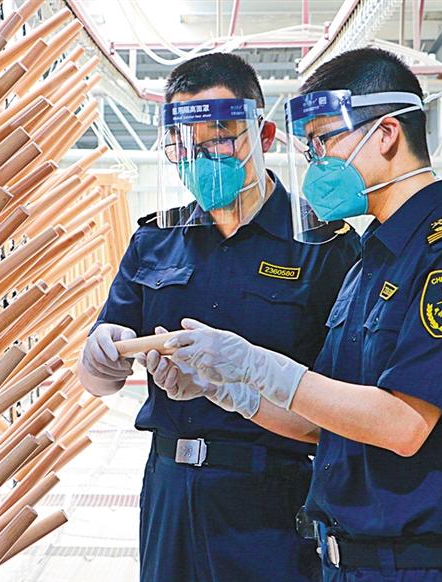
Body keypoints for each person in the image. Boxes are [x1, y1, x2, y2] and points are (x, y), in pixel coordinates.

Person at [149, 48, 442, 581]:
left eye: (323, 141)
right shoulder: (371, 260)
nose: (315, 161)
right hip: (347, 562)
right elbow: (326, 423)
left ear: (385, 133)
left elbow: (403, 425)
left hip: (418, 566)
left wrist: (260, 365)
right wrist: (228, 390)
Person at [77, 52, 360, 582]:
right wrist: (98, 360)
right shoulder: (156, 240)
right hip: (169, 492)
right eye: (186, 145)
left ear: (264, 135)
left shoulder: (323, 245)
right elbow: (100, 378)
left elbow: (351, 406)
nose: (203, 158)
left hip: (273, 500)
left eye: (221, 139)